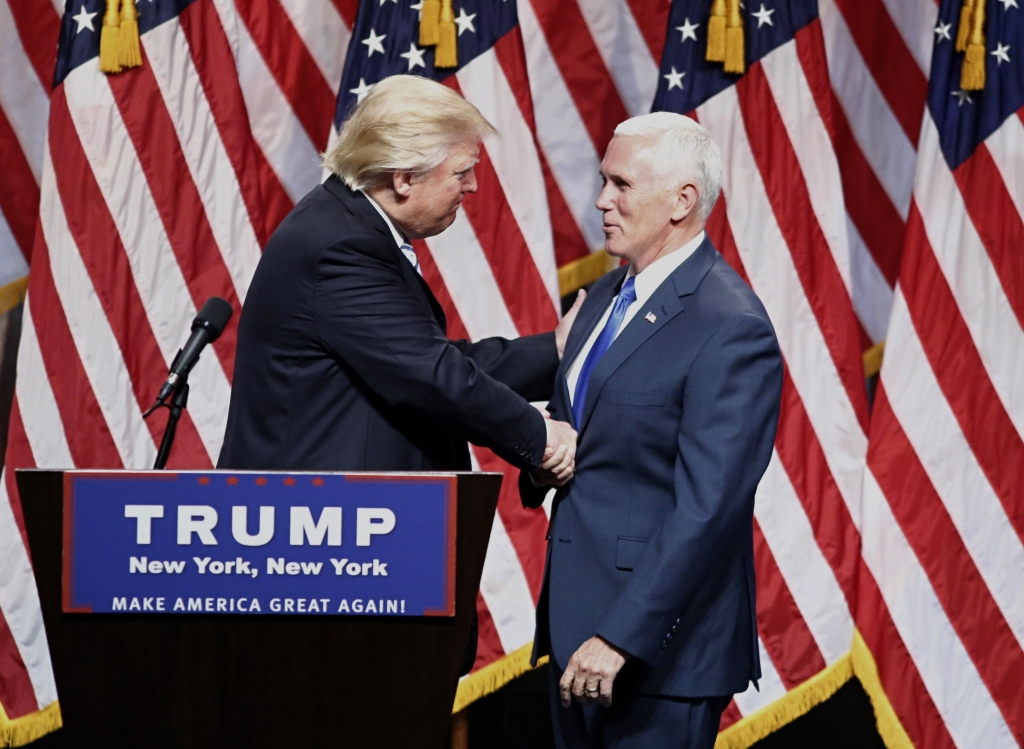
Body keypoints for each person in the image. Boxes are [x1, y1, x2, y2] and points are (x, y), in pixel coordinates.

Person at [520, 112, 783, 749]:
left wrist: (621, 636)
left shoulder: (730, 324)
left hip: (654, 652)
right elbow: (581, 437)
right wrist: (541, 455)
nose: (602, 200)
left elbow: (708, 507)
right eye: (604, 182)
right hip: (573, 633)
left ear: (681, 201)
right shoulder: (603, 297)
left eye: (621, 185)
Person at [219, 74, 579, 479]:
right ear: (404, 178)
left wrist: (557, 350)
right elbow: (430, 375)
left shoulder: (346, 223)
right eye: (461, 172)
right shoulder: (341, 246)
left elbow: (419, 357)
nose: (473, 186)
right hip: (321, 519)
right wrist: (542, 437)